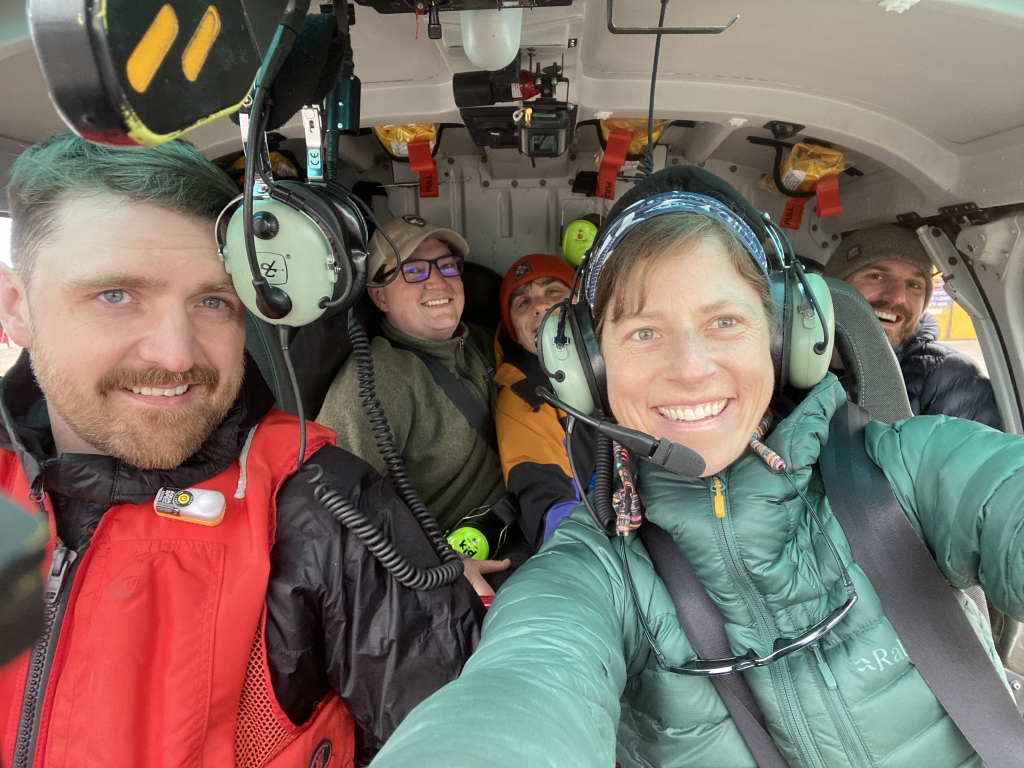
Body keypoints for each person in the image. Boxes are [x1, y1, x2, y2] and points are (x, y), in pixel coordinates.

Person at [369, 168, 1024, 768]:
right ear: (588, 368)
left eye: (725, 321)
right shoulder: (597, 569)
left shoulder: (915, 466)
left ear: (786, 339)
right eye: (643, 331)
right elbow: (524, 683)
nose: (689, 369)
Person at [0, 132, 482, 768]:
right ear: (16, 308)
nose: (176, 355)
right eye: (115, 295)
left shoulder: (322, 509)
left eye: (213, 302)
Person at [317, 215, 510, 587]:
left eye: (447, 266)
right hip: (446, 571)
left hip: (522, 522)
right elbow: (331, 510)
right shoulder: (377, 378)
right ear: (379, 296)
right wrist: (438, 565)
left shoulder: (483, 342)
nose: (438, 281)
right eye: (413, 270)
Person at [824, 224, 1001, 428]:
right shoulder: (793, 358)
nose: (897, 297)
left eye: (913, 285)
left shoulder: (951, 379)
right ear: (834, 286)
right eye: (876, 276)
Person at [494, 254, 594, 550]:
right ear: (515, 332)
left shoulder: (628, 355)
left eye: (552, 291)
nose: (539, 306)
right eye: (523, 302)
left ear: (579, 303)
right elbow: (550, 509)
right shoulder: (522, 399)